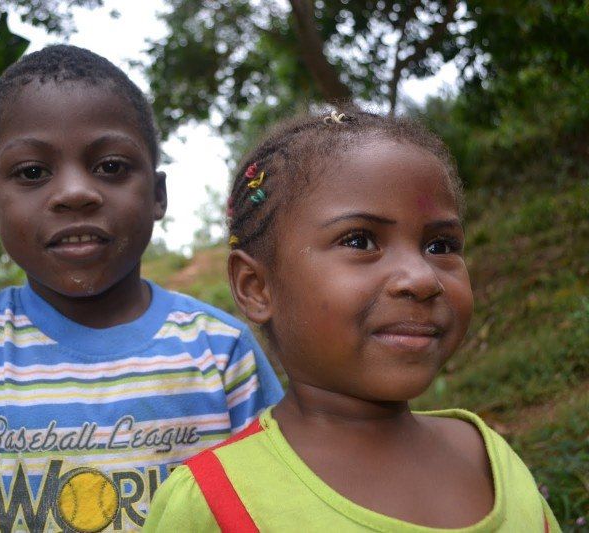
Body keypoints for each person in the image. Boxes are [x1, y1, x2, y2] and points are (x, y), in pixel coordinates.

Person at [0, 44, 284, 533]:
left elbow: (267, 509)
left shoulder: (223, 353)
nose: (76, 192)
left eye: (111, 166)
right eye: (32, 172)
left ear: (157, 195)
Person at [143, 110, 561, 532]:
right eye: (360, 240)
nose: (421, 278)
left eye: (440, 245)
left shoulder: (492, 459)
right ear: (256, 287)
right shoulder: (213, 504)